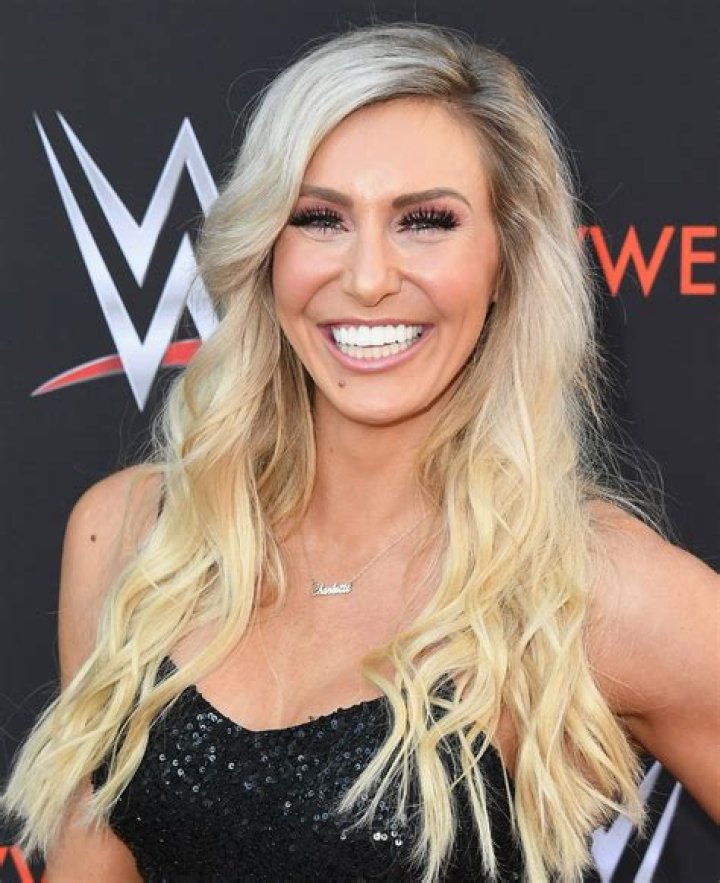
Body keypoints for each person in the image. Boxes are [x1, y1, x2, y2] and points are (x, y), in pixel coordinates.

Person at [2, 22, 718, 883]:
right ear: (266, 249)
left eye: (426, 221)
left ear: (508, 259)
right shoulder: (132, 535)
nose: (369, 277)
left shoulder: (586, 585)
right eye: (320, 218)